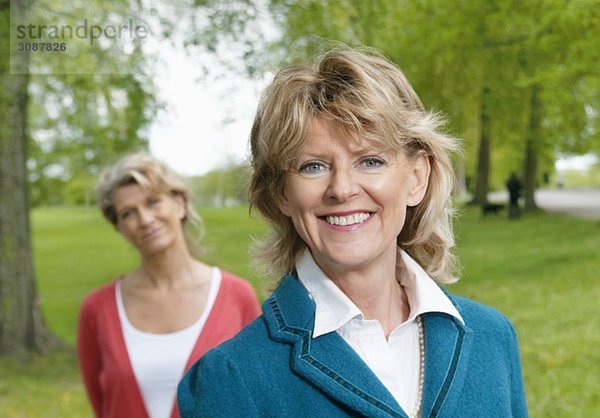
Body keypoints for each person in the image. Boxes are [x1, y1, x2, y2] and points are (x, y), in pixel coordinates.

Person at [178, 48, 527, 417]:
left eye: (371, 161)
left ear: (416, 178)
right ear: (281, 192)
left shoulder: (493, 338)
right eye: (313, 166)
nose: (342, 189)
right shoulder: (230, 379)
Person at [77, 153, 260, 418]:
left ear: (179, 204)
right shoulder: (97, 309)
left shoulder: (236, 296)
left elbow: (254, 393)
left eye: (153, 202)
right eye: (128, 213)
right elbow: (101, 404)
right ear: (119, 227)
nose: (145, 219)